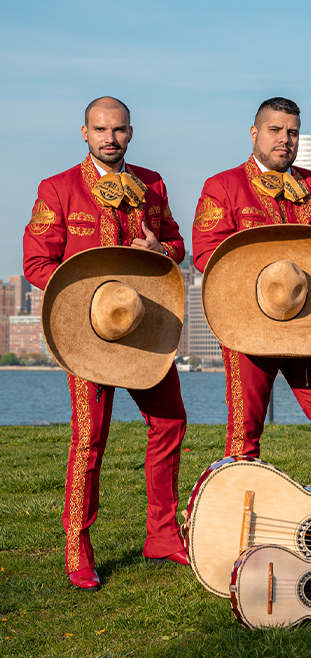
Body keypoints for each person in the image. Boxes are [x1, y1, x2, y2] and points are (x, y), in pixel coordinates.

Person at [23, 96, 189, 590]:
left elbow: (177, 244)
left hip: (145, 329)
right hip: (85, 335)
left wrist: (162, 249)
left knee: (170, 422)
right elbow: (36, 264)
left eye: (118, 130)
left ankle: (161, 535)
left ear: (130, 133)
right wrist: (82, 296)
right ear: (84, 133)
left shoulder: (153, 183)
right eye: (100, 130)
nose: (109, 138)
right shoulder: (57, 188)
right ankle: (77, 545)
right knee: (89, 439)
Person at [192, 97, 311, 487]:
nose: (285, 139)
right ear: (255, 133)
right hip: (248, 327)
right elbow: (204, 253)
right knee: (244, 428)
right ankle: (241, 517)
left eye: (293, 132)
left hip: (310, 325)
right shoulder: (223, 186)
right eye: (275, 130)